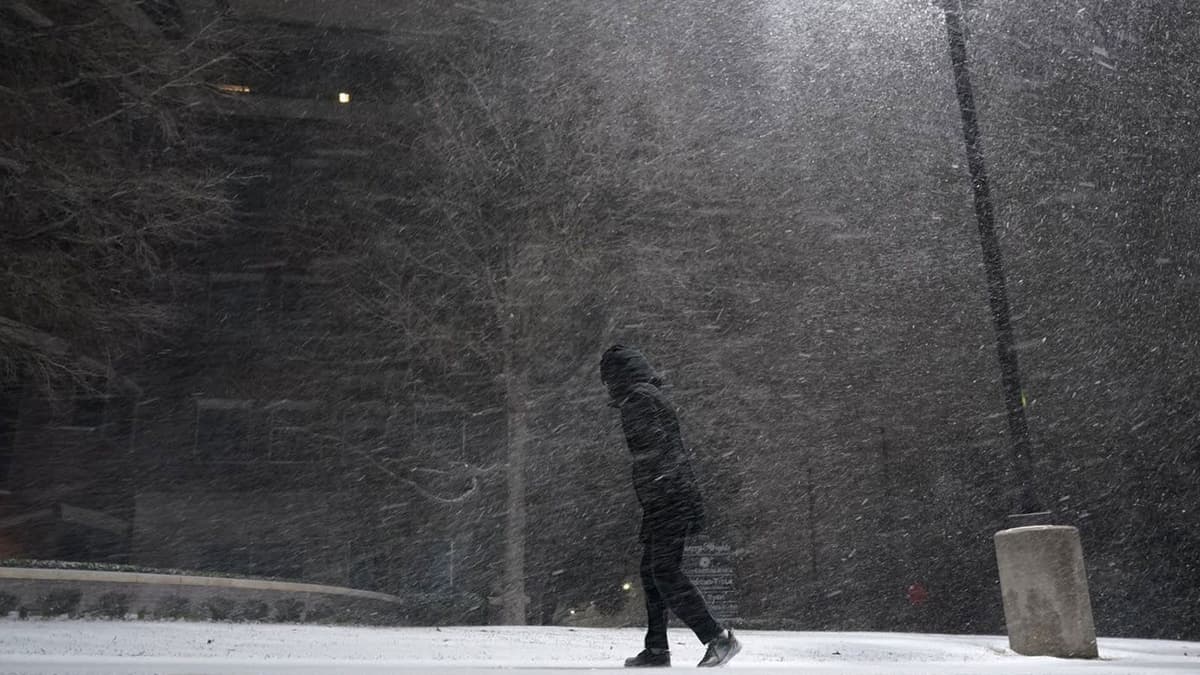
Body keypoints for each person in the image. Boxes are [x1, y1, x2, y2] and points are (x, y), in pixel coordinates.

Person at [600, 344, 741, 668]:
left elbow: (653, 450)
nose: (607, 387)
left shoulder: (638, 400)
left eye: (608, 380)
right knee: (651, 572)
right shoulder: (648, 396)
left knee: (664, 571)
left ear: (618, 376)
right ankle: (656, 649)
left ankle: (717, 638)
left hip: (667, 497)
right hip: (668, 495)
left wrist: (658, 490)